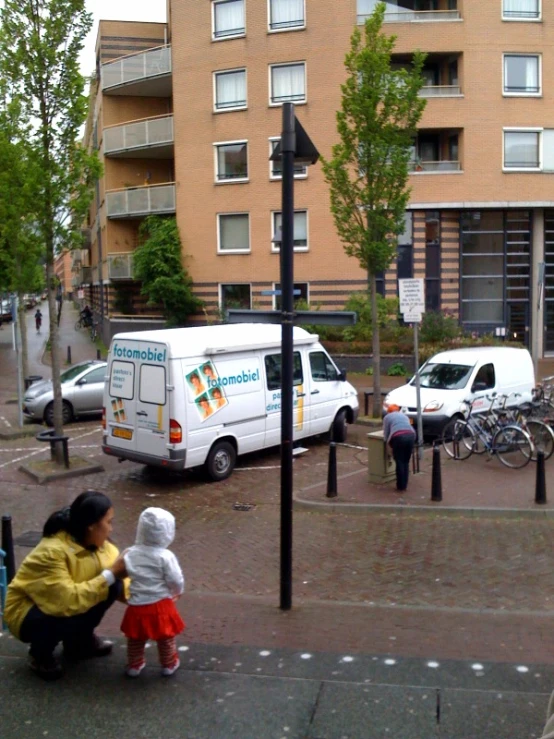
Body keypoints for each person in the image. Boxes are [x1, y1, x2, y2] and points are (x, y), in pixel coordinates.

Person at [4, 491, 127, 681]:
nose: (111, 529)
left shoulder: (102, 544)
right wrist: (109, 575)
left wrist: (151, 600)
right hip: (28, 612)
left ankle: (79, 643)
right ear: (91, 526)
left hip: (65, 601)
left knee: (114, 585)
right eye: (108, 522)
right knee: (63, 613)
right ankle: (39, 655)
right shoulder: (52, 552)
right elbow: (65, 601)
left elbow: (121, 582)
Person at [121, 507, 185, 678]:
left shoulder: (130, 553)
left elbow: (123, 569)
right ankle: (168, 664)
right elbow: (175, 579)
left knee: (135, 638)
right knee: (165, 638)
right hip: (160, 605)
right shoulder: (165, 556)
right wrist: (177, 591)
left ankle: (135, 665)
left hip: (136, 606)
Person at [382, 405, 416, 492]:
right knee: (406, 461)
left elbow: (386, 434)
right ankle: (405, 484)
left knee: (399, 461)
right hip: (411, 435)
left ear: (389, 411)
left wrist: (388, 447)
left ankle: (400, 486)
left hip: (398, 437)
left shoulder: (387, 417)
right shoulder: (404, 416)